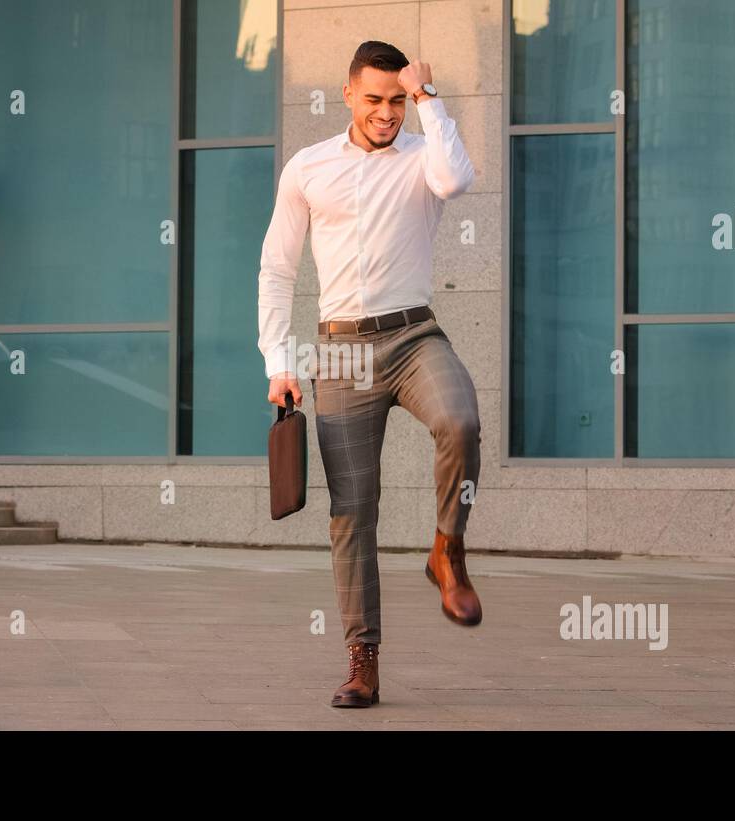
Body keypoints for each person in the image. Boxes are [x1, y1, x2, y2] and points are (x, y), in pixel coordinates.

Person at [257, 40, 482, 708]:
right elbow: (277, 267)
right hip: (340, 352)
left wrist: (429, 99)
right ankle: (364, 659)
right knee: (353, 511)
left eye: (397, 100)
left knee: (462, 419)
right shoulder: (308, 168)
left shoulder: (425, 155)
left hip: (413, 333)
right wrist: (279, 361)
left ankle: (448, 550)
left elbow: (457, 181)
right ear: (349, 93)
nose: (387, 113)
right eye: (376, 99)